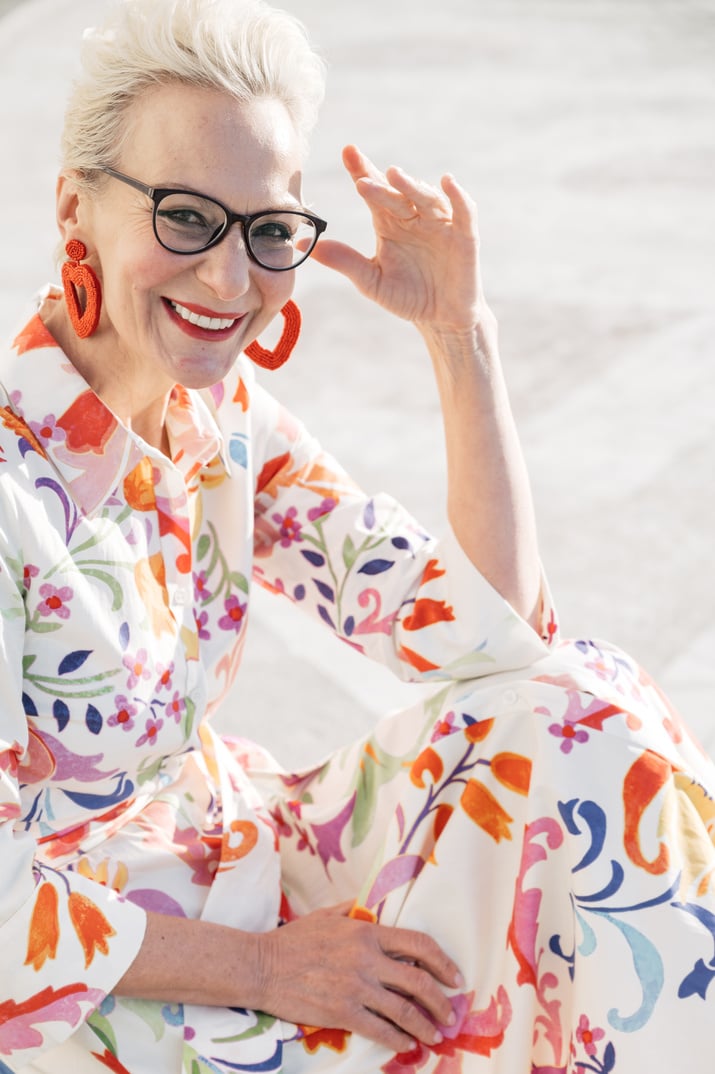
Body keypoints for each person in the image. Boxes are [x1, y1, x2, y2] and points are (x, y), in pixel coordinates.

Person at [0, 0, 713, 1071]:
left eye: (267, 229)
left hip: (240, 853)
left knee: (578, 715)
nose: (230, 280)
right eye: (184, 217)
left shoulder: (219, 421)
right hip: (85, 975)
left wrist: (458, 337)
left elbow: (497, 647)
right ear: (76, 208)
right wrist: (265, 969)